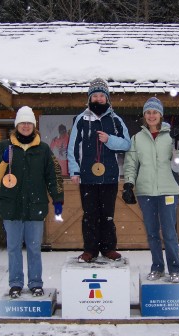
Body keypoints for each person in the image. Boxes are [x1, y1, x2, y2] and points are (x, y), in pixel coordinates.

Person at [0, 106, 64, 298]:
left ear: (34, 126)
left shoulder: (44, 149)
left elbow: (53, 176)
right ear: (17, 125)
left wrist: (58, 198)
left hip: (36, 206)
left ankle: (36, 283)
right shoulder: (5, 147)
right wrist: (2, 161)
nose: (26, 126)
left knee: (34, 248)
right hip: (10, 206)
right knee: (13, 248)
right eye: (22, 123)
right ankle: (16, 284)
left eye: (29, 123)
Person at [122, 97, 179, 283]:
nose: (151, 116)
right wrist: (129, 184)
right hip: (145, 192)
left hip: (168, 191)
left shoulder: (172, 136)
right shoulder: (137, 139)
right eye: (148, 112)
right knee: (152, 233)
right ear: (144, 115)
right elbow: (131, 164)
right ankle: (157, 267)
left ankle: (175, 269)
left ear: (161, 115)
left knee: (169, 232)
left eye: (155, 112)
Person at [67, 78, 131, 263]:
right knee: (90, 216)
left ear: (107, 98)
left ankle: (109, 248)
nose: (98, 99)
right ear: (89, 98)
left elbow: (127, 144)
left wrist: (109, 139)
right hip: (87, 177)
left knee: (108, 216)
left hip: (109, 177)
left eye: (101, 95)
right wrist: (74, 171)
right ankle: (90, 250)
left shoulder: (115, 120)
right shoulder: (81, 119)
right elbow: (73, 147)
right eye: (94, 95)